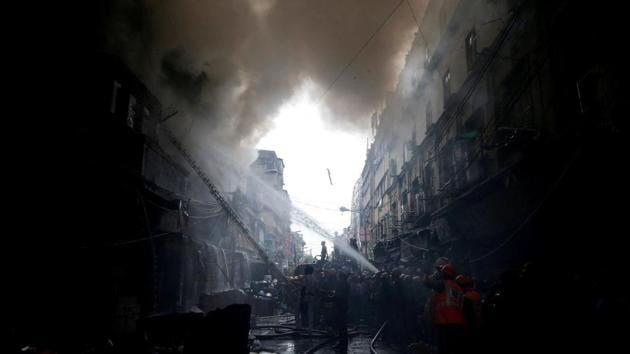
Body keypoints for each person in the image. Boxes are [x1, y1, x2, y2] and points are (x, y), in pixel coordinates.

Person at [425, 263, 466, 354]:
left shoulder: (442, 284)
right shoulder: (458, 288)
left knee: (444, 349)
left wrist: (426, 273)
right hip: (458, 322)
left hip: (444, 322)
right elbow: (461, 305)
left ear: (443, 274)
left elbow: (428, 283)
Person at [332, 270, 350, 352]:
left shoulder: (341, 284)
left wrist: (330, 297)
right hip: (343, 307)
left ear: (340, 276)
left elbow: (338, 296)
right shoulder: (345, 283)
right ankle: (341, 344)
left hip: (340, 307)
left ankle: (342, 346)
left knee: (342, 328)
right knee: (342, 328)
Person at [299, 265, 317, 329]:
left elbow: (303, 287)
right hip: (312, 296)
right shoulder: (314, 278)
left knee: (303, 311)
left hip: (306, 296)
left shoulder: (305, 278)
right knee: (311, 311)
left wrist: (301, 296)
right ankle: (310, 326)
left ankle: (304, 325)